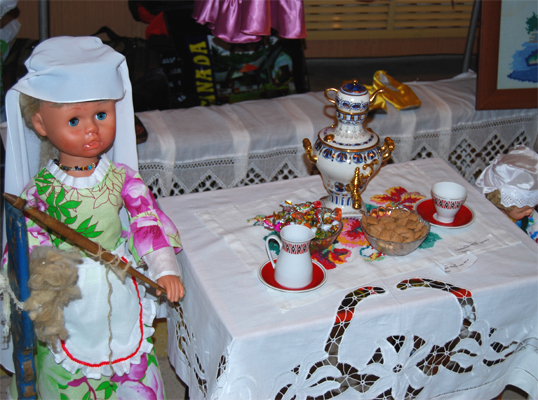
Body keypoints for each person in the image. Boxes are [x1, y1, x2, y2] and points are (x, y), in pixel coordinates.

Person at [2, 36, 184, 399]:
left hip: (120, 287)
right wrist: (45, 279)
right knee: (66, 368)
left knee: (130, 357)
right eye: (74, 119)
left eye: (101, 115)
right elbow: (30, 244)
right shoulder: (39, 191)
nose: (91, 129)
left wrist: (164, 267)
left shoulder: (122, 179)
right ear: (40, 123)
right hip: (69, 295)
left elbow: (146, 222)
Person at [475, 145, 538, 243]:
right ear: (504, 203)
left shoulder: (529, 214)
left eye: (533, 205)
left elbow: (535, 225)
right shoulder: (490, 215)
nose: (530, 211)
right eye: (522, 210)